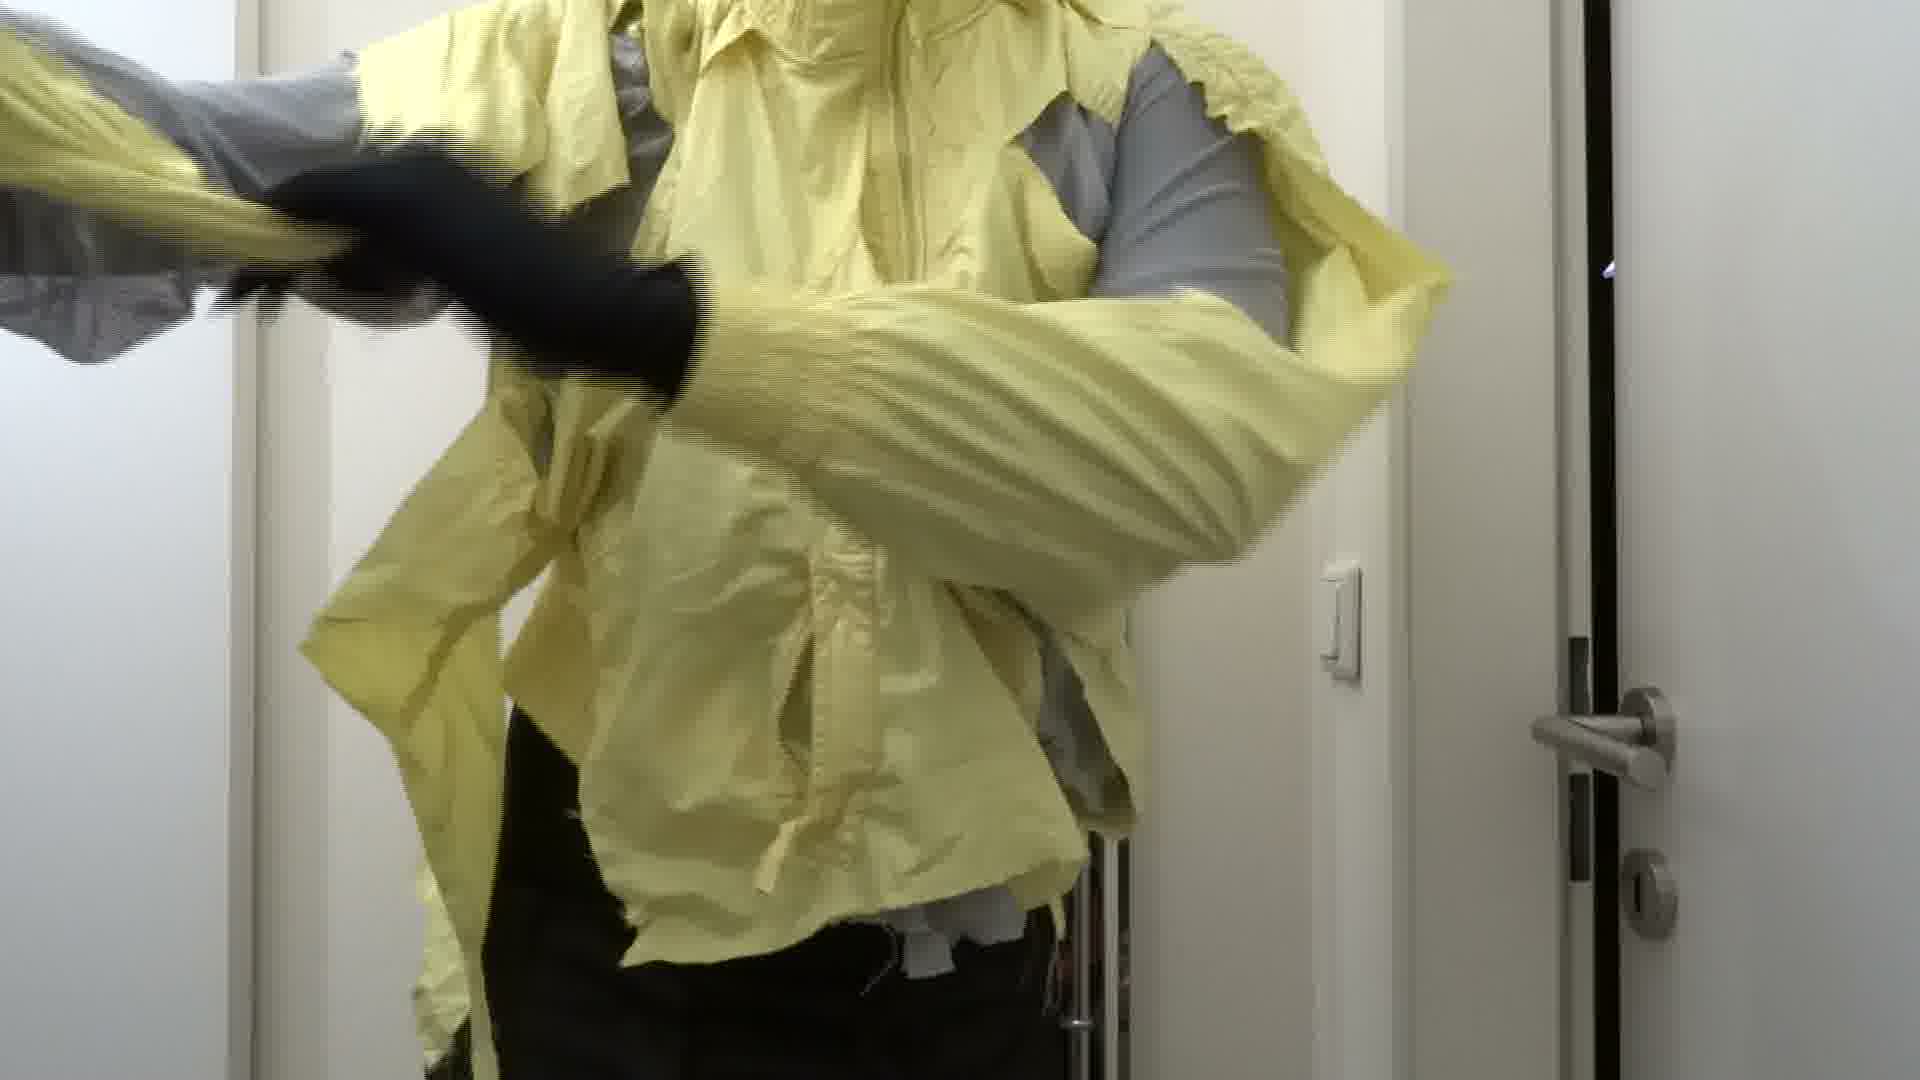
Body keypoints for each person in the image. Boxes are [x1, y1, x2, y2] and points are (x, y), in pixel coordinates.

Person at [0, 1, 1446, 1077]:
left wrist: (663, 330)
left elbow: (1197, 448)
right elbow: (151, 168)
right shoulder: (575, 56)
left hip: (942, 967)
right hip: (585, 918)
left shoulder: (1143, 87)